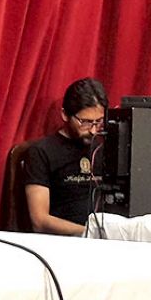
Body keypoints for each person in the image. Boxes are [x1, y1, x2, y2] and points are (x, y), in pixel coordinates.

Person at [23, 77, 107, 235]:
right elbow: (39, 221)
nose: (93, 130)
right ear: (65, 115)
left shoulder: (103, 149)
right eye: (85, 122)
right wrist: (90, 233)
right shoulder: (41, 152)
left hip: (104, 236)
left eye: (99, 122)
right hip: (65, 240)